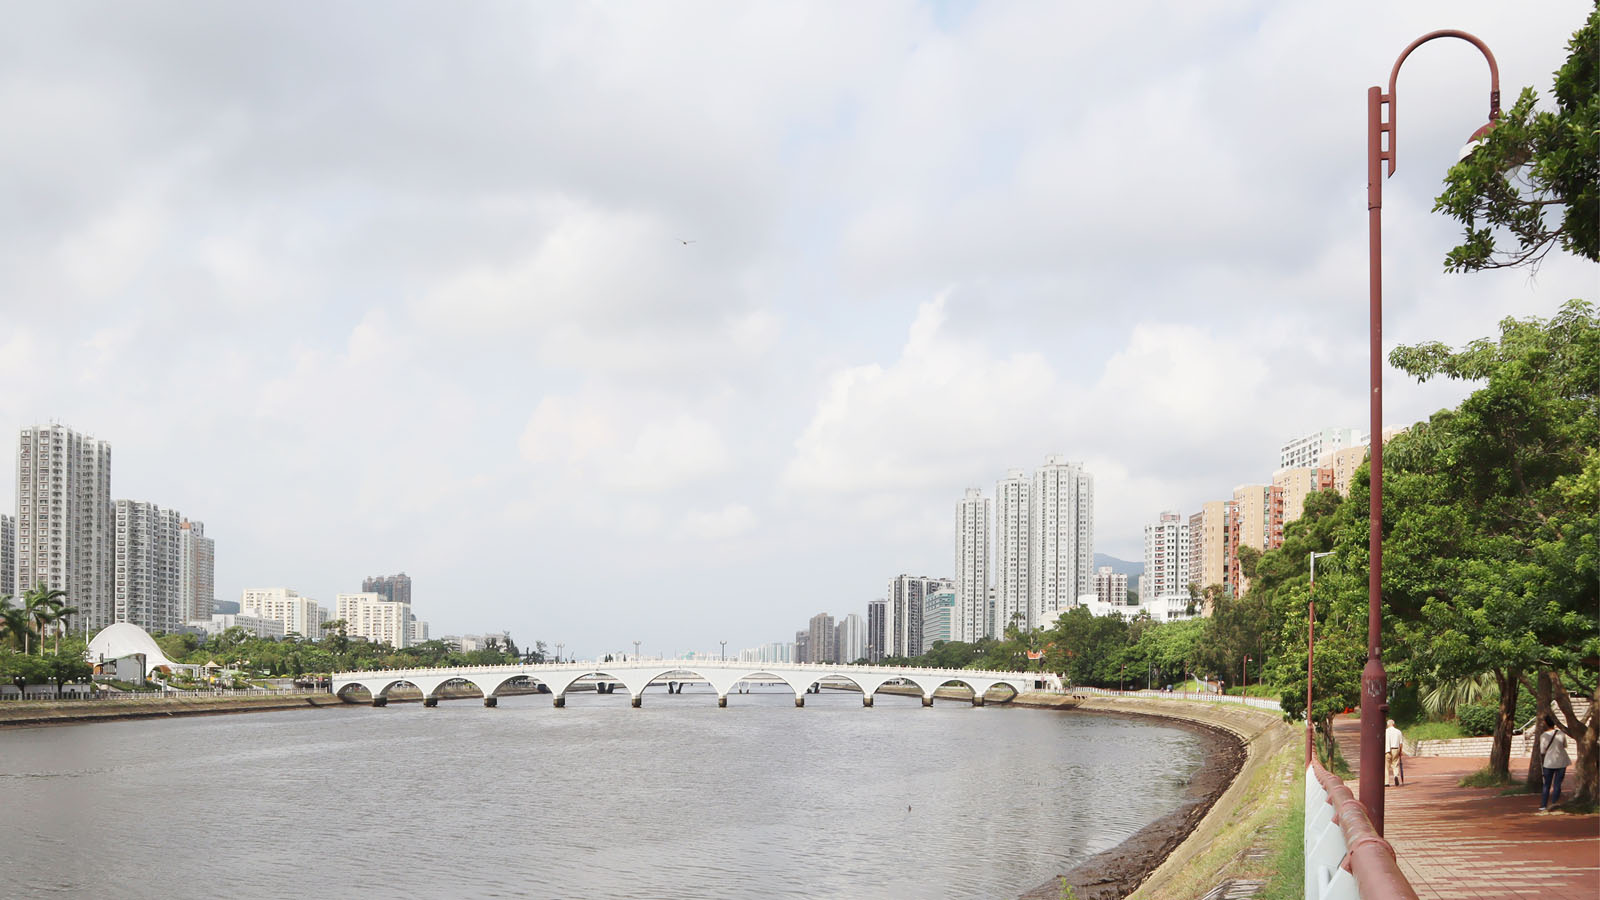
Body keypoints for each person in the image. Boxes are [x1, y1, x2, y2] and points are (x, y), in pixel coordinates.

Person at [1538, 715, 1571, 813]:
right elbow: (1565, 745)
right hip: (1562, 761)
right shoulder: (1561, 733)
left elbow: (1542, 750)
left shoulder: (1544, 735)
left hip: (1549, 762)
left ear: (1545, 723)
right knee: (1557, 784)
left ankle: (1543, 805)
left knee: (1546, 785)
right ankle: (1554, 804)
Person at [1384, 718, 1404, 786]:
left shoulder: (1385, 731)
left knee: (1386, 766)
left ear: (1387, 725)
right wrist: (1400, 751)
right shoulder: (1398, 731)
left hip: (1387, 749)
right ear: (1393, 724)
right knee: (1395, 764)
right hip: (1395, 749)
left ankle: (1386, 782)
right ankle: (1395, 776)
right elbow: (1401, 743)